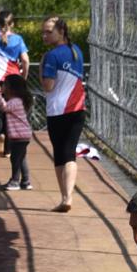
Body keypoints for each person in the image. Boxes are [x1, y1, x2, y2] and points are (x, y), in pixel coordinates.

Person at [40, 15, 86, 212]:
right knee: (69, 154)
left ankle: (66, 197)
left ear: (61, 32)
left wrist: (42, 66)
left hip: (58, 111)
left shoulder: (52, 56)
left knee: (61, 155)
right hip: (78, 110)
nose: (45, 36)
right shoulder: (76, 51)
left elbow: (48, 86)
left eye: (49, 32)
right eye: (43, 32)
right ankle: (66, 197)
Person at [0, 11, 29, 157]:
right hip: (14, 80)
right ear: (12, 24)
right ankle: (9, 149)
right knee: (12, 114)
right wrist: (23, 77)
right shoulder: (18, 39)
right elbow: (25, 60)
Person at [0, 74, 33, 191]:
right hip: (22, 135)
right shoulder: (18, 100)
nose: (2, 86)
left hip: (19, 136)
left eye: (4, 84)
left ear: (11, 88)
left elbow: (4, 108)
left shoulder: (15, 101)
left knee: (15, 158)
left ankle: (15, 181)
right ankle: (25, 181)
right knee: (22, 158)